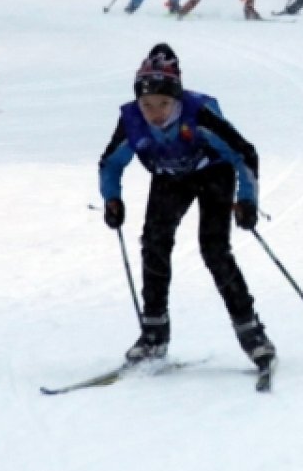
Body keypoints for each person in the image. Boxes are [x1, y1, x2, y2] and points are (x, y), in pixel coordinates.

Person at [97, 43, 275, 371]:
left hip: (213, 173)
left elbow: (244, 153)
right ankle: (154, 335)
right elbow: (110, 163)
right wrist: (112, 199)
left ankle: (253, 335)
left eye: (164, 103)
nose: (156, 112)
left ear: (177, 98)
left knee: (214, 249)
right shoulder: (133, 121)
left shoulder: (199, 115)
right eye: (147, 104)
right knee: (153, 243)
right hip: (169, 177)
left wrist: (247, 201)